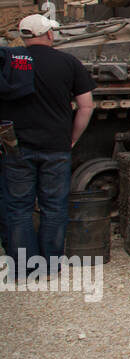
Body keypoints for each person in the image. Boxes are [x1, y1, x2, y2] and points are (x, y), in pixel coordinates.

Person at [0, 15, 94, 278]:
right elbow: (86, 106)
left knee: (18, 207)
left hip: (15, 146)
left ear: (24, 36)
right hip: (56, 146)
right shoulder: (68, 62)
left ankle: (23, 268)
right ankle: (51, 266)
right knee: (54, 206)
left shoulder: (10, 60)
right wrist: (72, 138)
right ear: (50, 35)